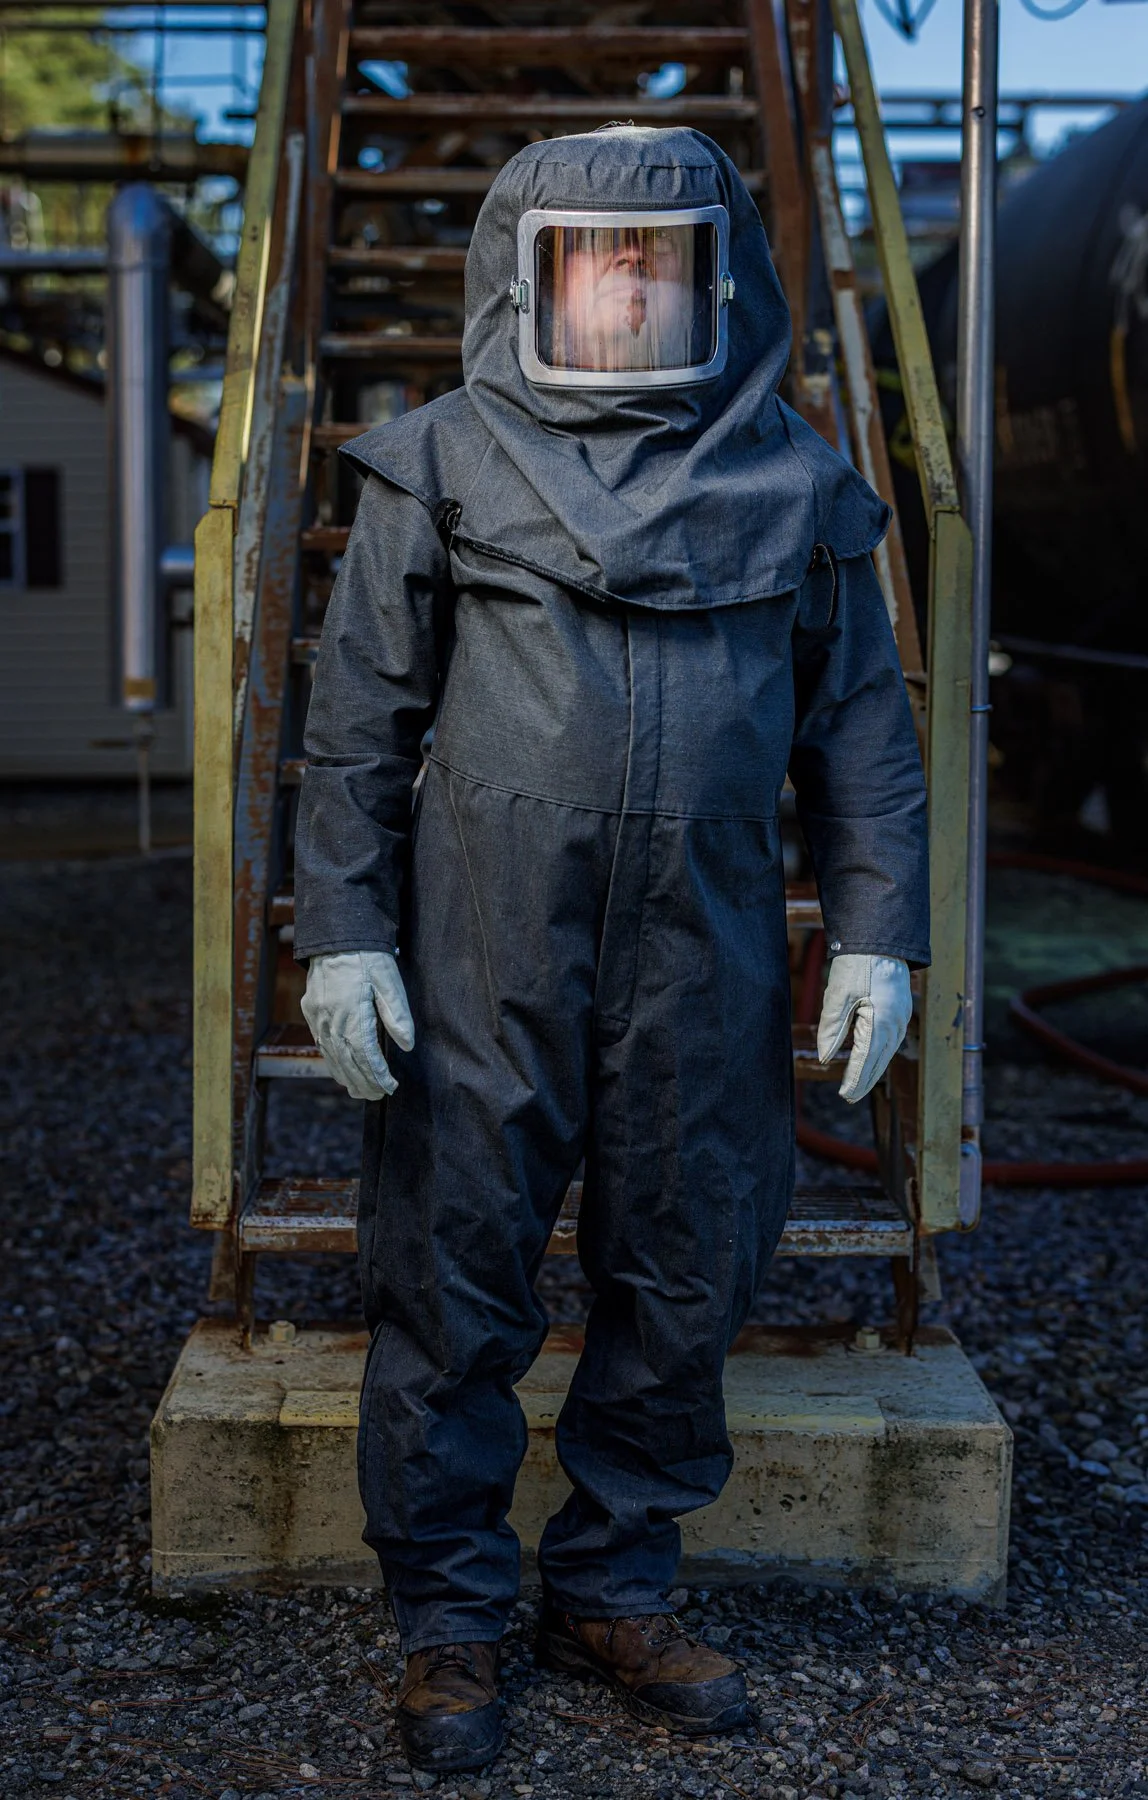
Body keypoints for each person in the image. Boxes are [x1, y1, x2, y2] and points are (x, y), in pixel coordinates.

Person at [294, 126, 930, 1776]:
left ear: (726, 285)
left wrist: (879, 933)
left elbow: (864, 732)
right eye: (599, 263)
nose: (631, 291)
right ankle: (448, 1613)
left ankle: (613, 1585)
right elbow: (356, 730)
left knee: (688, 1255)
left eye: (661, 265)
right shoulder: (438, 463)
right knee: (455, 1260)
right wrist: (344, 933)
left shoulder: (797, 482)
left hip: (704, 939)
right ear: (532, 278)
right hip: (482, 933)